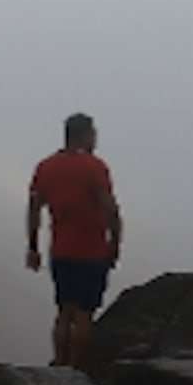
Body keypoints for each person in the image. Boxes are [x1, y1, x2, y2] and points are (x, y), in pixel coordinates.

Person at [27, 113, 123, 369]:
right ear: (86, 134)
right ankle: (75, 368)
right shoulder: (95, 167)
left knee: (64, 311)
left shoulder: (45, 167)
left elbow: (34, 208)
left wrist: (32, 247)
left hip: (60, 251)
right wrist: (115, 243)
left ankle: (59, 362)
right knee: (84, 314)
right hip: (91, 251)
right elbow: (110, 208)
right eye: (93, 134)